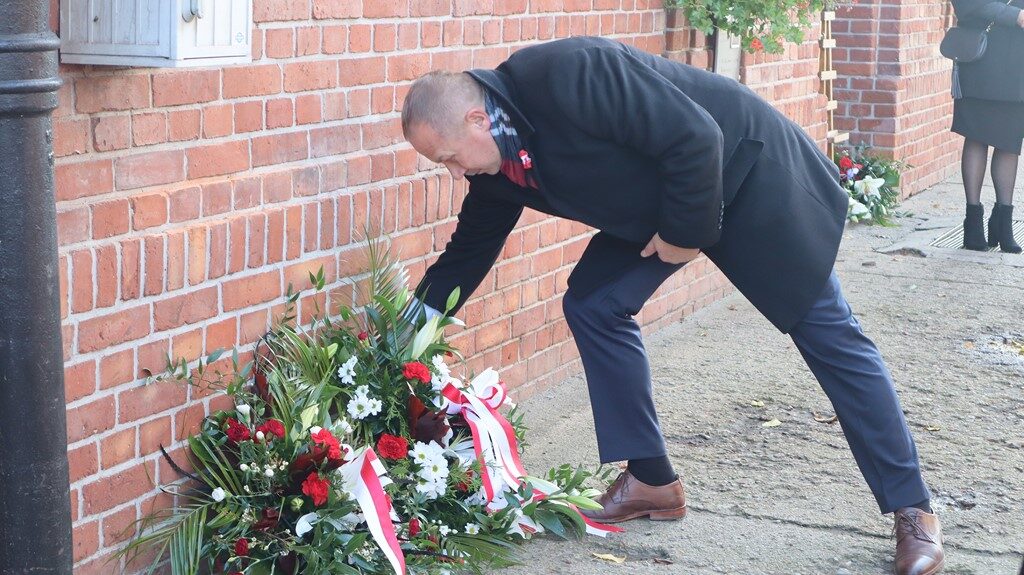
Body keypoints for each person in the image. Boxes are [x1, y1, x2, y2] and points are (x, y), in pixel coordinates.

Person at [401, 37, 943, 575]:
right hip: (662, 208)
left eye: (449, 159)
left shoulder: (567, 72)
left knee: (828, 333)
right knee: (594, 304)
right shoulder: (498, 170)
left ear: (478, 120)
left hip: (741, 174)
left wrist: (685, 235)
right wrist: (400, 340)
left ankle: (913, 509)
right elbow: (466, 255)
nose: (454, 173)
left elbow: (696, 135)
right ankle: (652, 481)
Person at [952, 0, 1024, 253]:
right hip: (981, 56)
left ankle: (1003, 222)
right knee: (976, 136)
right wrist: (1015, 16)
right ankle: (973, 221)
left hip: (1018, 63)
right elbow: (966, 5)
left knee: (1009, 141)